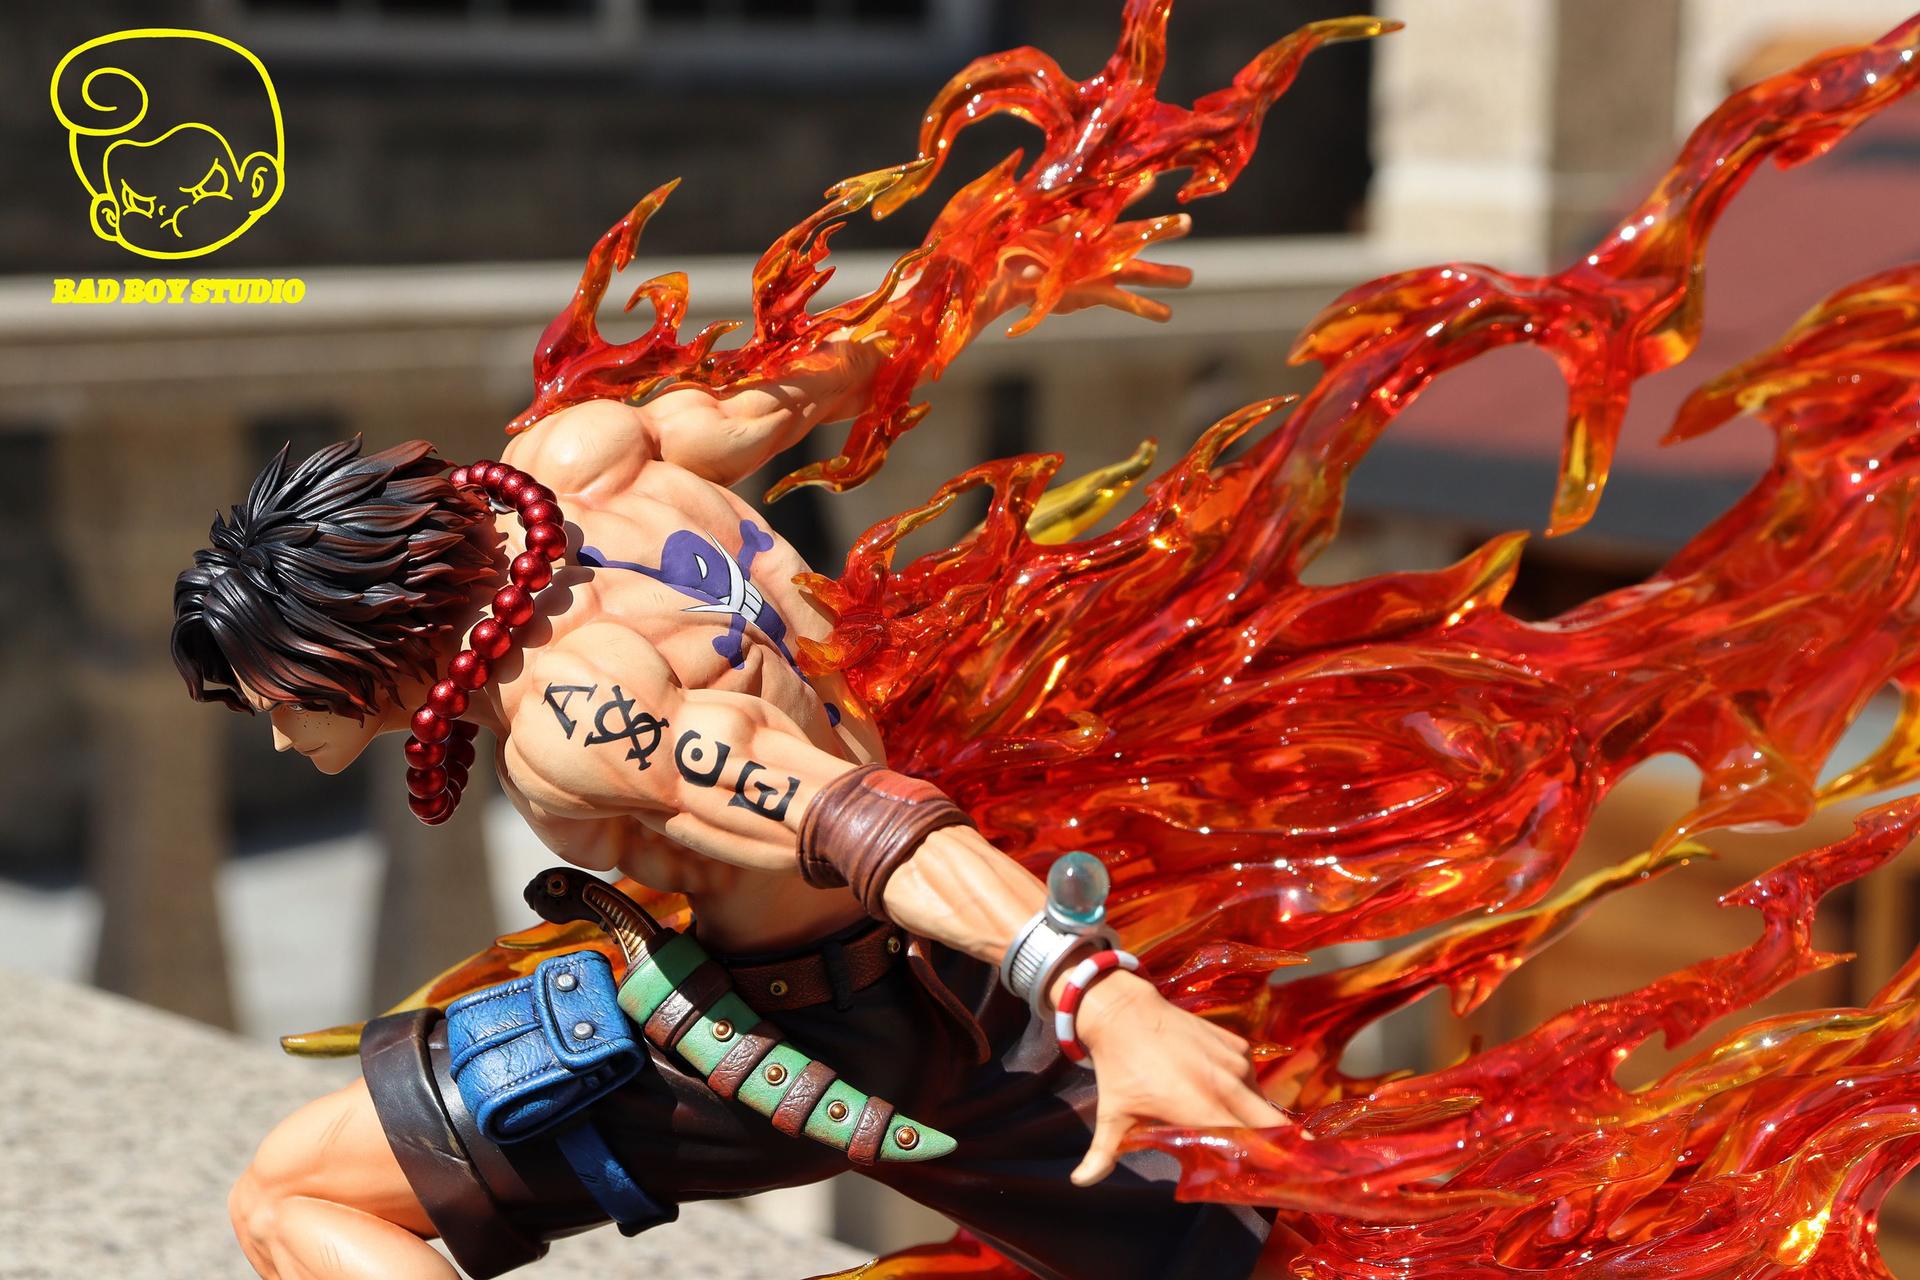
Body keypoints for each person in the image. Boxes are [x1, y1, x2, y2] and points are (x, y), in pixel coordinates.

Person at [170, 252, 1281, 1280]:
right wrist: (988, 276)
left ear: (347, 652)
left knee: (290, 1194)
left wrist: (1105, 997)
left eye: (281, 701)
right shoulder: (584, 460)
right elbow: (811, 382)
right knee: (1242, 1250)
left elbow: (867, 824)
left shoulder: (577, 715)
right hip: (944, 981)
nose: (277, 735)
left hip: (812, 1039)